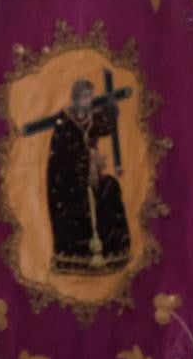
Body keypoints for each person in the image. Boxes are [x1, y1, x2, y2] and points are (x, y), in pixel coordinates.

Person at [40, 78, 131, 274]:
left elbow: (104, 127)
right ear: (76, 98)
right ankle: (77, 258)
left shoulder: (90, 118)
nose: (88, 100)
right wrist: (86, 167)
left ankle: (112, 253)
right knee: (78, 203)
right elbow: (62, 157)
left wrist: (111, 109)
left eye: (90, 96)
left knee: (111, 187)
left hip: (90, 174)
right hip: (66, 182)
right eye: (84, 96)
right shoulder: (64, 121)